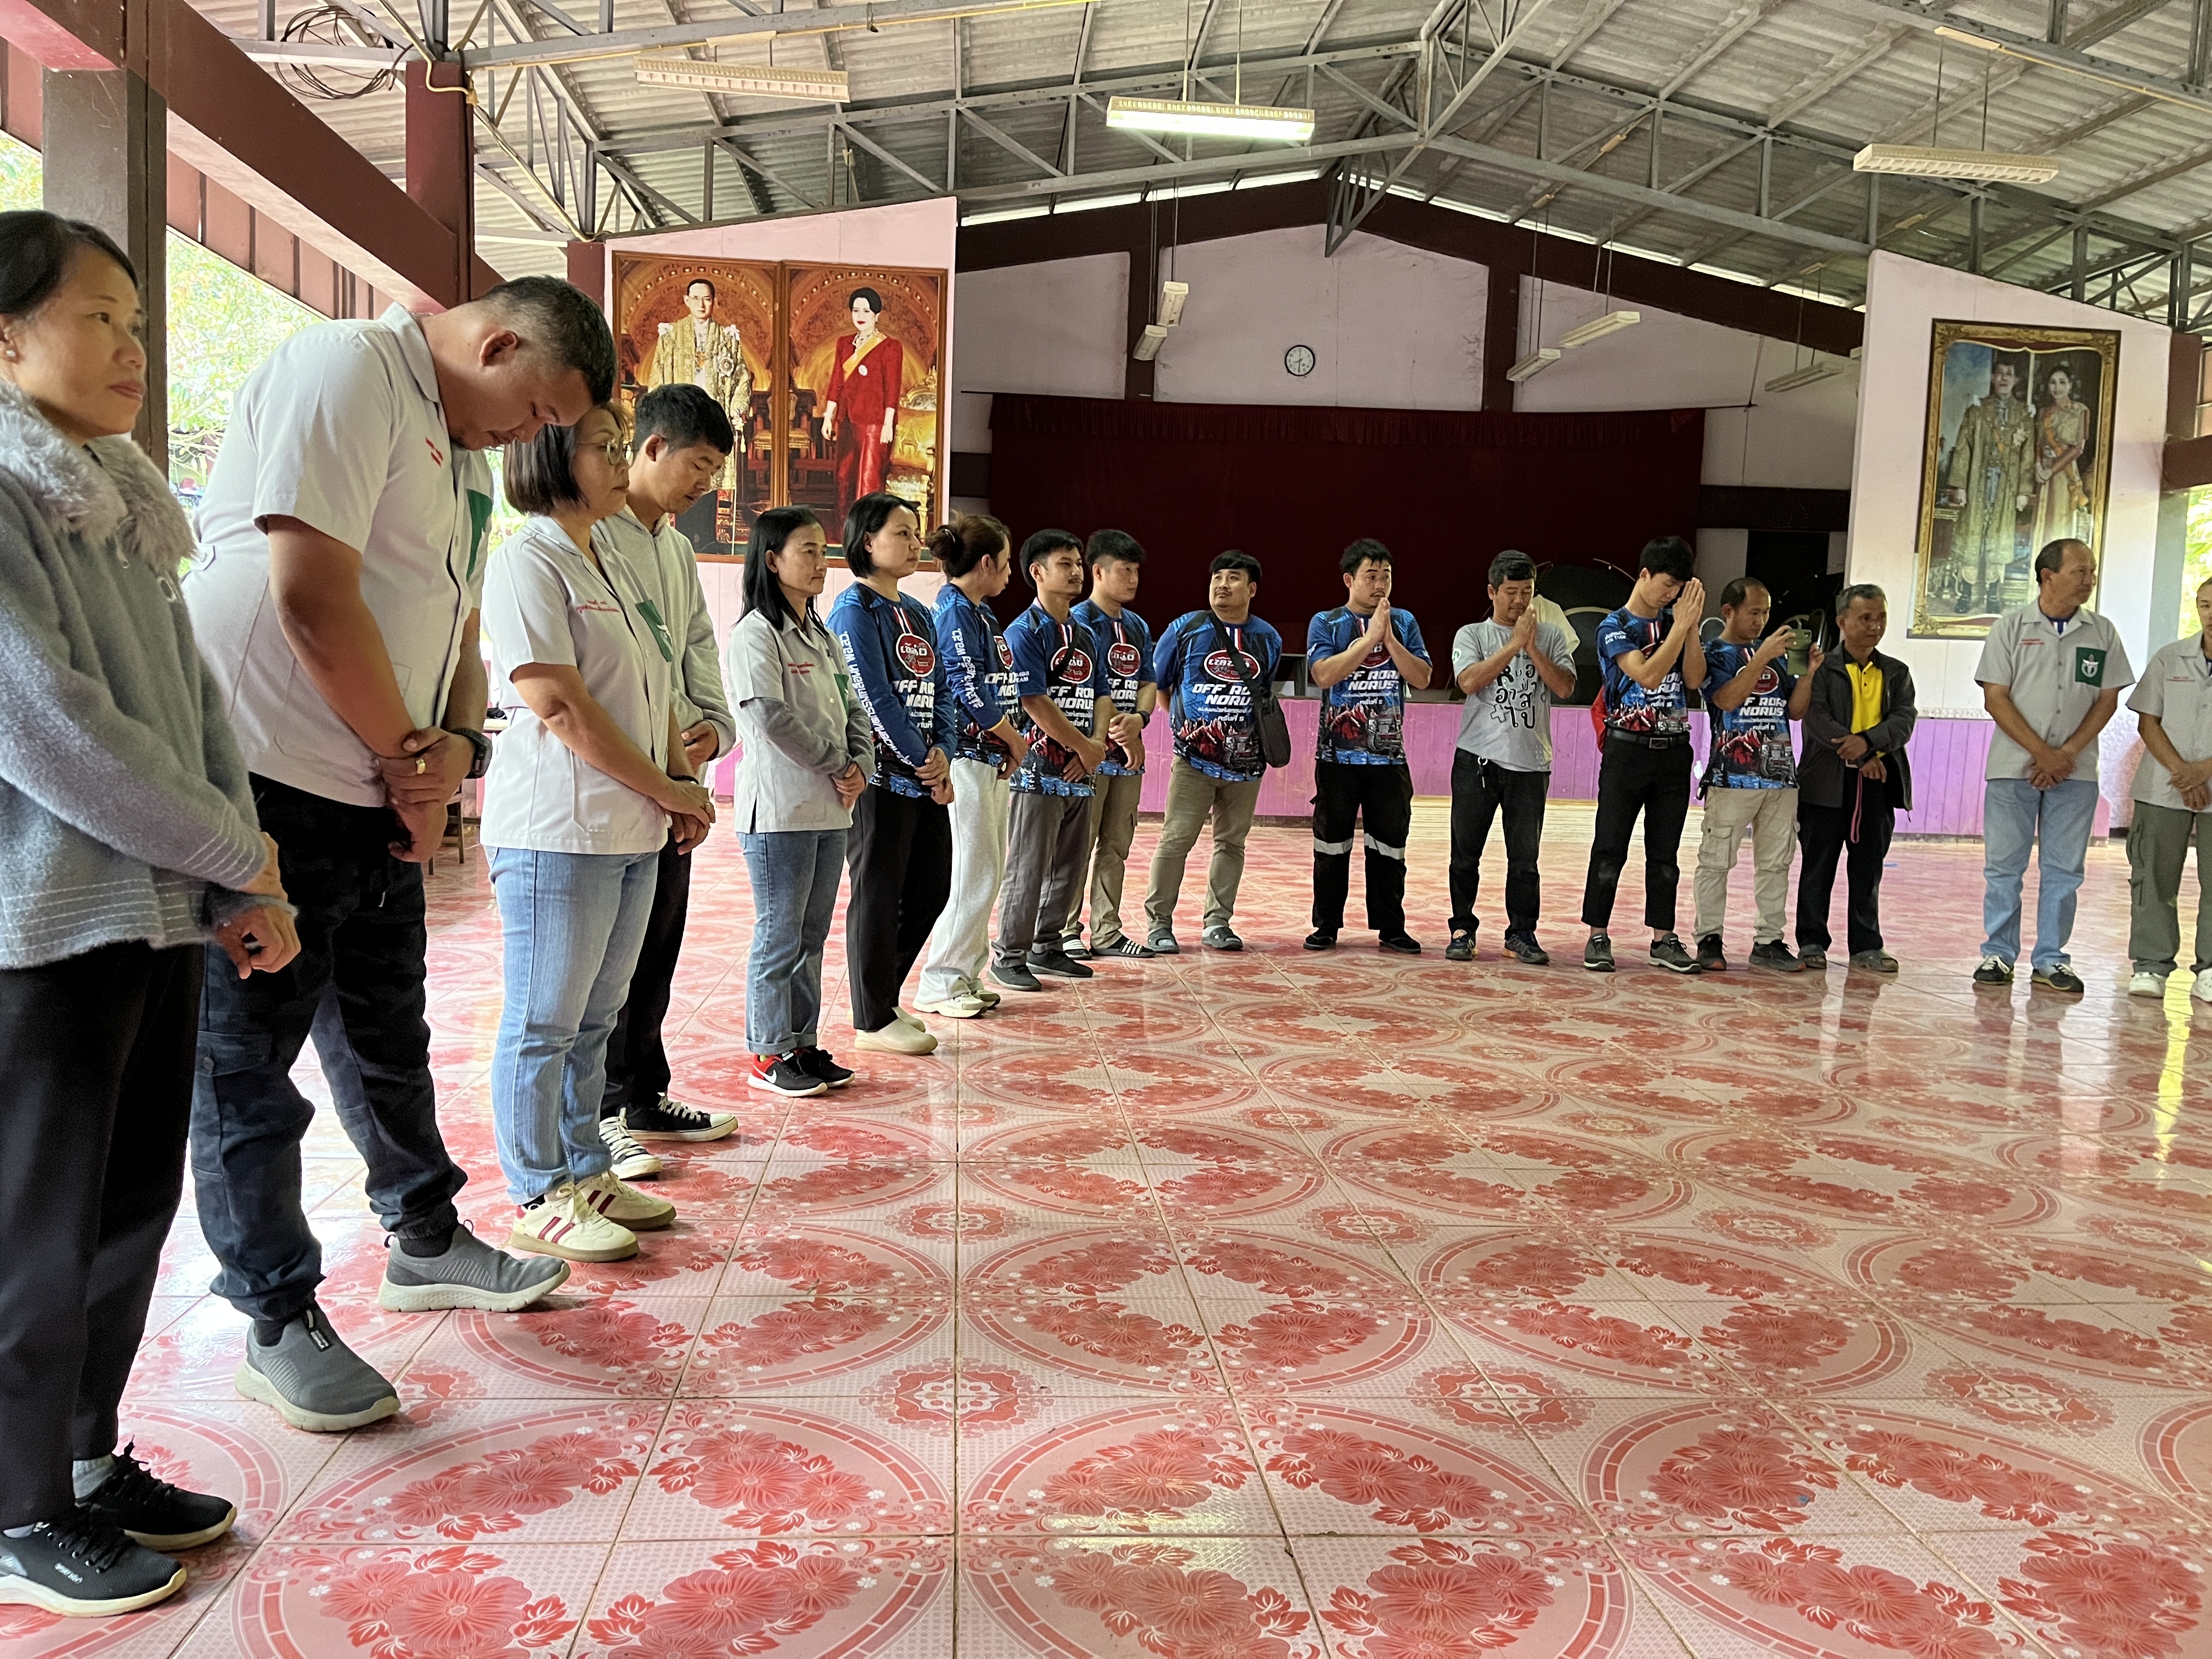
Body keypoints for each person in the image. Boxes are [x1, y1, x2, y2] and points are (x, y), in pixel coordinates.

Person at [184, 275, 611, 1433]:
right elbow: (312, 599)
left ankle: (424, 1236)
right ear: (499, 343)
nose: (529, 438)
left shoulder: (459, 451)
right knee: (245, 1062)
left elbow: (456, 627)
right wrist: (410, 759)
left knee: (385, 1032)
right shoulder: (349, 369)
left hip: (379, 786)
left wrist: (452, 751)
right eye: (536, 411)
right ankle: (275, 1314)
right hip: (268, 779)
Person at [0, 211, 300, 1617]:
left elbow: (190, 709)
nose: (132, 346)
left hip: (150, 910)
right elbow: (49, 726)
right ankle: (17, 1506)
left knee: (127, 1207)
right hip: (39, 928)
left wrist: (239, 868)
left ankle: (78, 1456)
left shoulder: (119, 496)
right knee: (33, 1226)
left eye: (136, 320)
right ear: (6, 338)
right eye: (98, 318)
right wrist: (232, 849)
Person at [483, 406, 710, 1262]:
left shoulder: (611, 557)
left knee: (595, 1020)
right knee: (544, 1020)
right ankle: (538, 1190)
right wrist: (665, 788)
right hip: (558, 829)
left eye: (622, 447)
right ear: (550, 454)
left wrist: (680, 790)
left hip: (630, 827)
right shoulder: (528, 559)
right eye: (606, 448)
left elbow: (654, 688)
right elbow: (560, 705)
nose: (622, 462)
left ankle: (586, 1167)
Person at [595, 384, 741, 1184]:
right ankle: (602, 1115)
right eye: (699, 466)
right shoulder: (591, 535)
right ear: (650, 447)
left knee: (657, 946)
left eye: (715, 472)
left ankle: (643, 1095)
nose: (705, 486)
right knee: (602, 970)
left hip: (678, 782)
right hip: (620, 783)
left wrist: (714, 733)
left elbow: (697, 656)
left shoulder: (676, 551)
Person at [723, 507, 873, 1096]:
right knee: (780, 934)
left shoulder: (822, 635)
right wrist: (840, 764)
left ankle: (801, 1044)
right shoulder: (756, 634)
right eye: (807, 550)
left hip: (831, 808)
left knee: (810, 936)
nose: (821, 561)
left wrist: (861, 763)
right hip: (780, 812)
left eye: (822, 549)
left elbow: (852, 706)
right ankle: (768, 1052)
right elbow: (770, 716)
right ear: (772, 560)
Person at [1973, 538, 2131, 994]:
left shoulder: (2102, 632)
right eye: (2080, 571)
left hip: (2075, 772)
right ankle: (1998, 954)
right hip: (2014, 768)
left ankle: (2051, 958)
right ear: (2048, 576)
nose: (2089, 580)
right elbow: (1995, 697)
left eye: (2092, 572)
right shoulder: (2010, 627)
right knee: (2004, 868)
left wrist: (2066, 755)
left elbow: (2107, 700)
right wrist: (2042, 754)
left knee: (2065, 870)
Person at [827, 492, 955, 1053]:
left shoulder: (919, 613)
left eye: (915, 532)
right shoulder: (854, 610)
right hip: (880, 779)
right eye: (902, 533)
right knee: (877, 896)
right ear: (867, 542)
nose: (914, 543)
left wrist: (944, 750)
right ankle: (872, 1020)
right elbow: (870, 696)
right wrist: (923, 760)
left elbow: (943, 688)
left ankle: (882, 993)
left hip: (925, 773)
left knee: (932, 888)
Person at [913, 515, 1028, 1019]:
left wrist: (1007, 743)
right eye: (1006, 563)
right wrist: (1012, 737)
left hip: (990, 757)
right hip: (965, 758)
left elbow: (998, 685)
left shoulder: (982, 614)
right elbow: (965, 686)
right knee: (971, 873)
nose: (1010, 573)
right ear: (986, 563)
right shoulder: (954, 612)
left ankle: (965, 972)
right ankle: (940, 981)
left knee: (989, 870)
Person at [1144, 551, 1283, 955]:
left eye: (1234, 578)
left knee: (1231, 843)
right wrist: (1186, 728)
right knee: (1175, 840)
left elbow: (1263, 694)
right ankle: (1159, 924)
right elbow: (1160, 684)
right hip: (1193, 761)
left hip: (1247, 765)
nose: (1223, 584)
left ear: (1252, 589)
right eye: (1217, 577)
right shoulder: (1186, 629)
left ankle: (1218, 923)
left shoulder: (1268, 638)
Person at [994, 529, 1111, 992]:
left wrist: (1095, 744)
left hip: (1082, 770)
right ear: (1037, 572)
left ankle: (1047, 946)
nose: (1077, 572)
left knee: (1071, 864)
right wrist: (1084, 746)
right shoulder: (1024, 631)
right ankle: (1009, 954)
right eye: (1066, 564)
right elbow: (1033, 701)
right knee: (1028, 865)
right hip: (1036, 773)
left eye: (1079, 563)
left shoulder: (1087, 633)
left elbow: (1102, 694)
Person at [1581, 537, 1705, 975]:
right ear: (1645, 575)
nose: (1672, 595)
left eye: (1679, 589)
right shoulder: (1614, 626)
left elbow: (1694, 679)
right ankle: (1598, 934)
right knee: (1610, 847)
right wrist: (1679, 627)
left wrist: (1690, 627)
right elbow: (1648, 675)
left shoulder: (1678, 621)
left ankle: (1662, 937)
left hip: (1673, 751)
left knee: (1665, 852)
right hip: (1627, 750)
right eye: (1667, 585)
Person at [1448, 551, 1577, 964]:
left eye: (1527, 592)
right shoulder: (1472, 634)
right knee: (1465, 854)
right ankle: (1462, 928)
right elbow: (1469, 681)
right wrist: (1514, 645)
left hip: (1531, 763)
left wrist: (1532, 647)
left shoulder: (1552, 636)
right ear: (1492, 592)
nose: (1520, 601)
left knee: (1525, 859)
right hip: (1478, 760)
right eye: (1511, 592)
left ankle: (1521, 933)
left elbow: (1565, 688)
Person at [1305, 539, 1431, 954]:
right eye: (1371, 576)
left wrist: (1389, 639)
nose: (1380, 585)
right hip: (1336, 757)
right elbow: (1324, 675)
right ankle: (1327, 926)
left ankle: (1391, 927)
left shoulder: (1405, 622)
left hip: (1389, 759)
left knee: (1390, 847)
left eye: (1386, 577)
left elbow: (1422, 678)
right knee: (1331, 845)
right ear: (1349, 580)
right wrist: (1369, 639)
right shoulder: (1326, 622)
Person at [1691, 578, 1816, 973]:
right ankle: (1709, 938)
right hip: (1732, 777)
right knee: (1716, 861)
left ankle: (1769, 940)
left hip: (1780, 776)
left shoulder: (1778, 655)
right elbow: (1727, 700)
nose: (1761, 620)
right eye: (1754, 612)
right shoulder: (1712, 653)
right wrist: (1760, 658)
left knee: (1777, 862)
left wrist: (1808, 674)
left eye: (1766, 613)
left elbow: (1795, 712)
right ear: (1729, 611)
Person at [1797, 584, 1916, 973]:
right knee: (1818, 866)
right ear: (1842, 622)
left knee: (1868, 868)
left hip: (1878, 783)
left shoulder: (1896, 672)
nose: (1875, 626)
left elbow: (1903, 720)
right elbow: (1816, 717)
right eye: (1865, 618)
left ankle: (1867, 945)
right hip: (1825, 784)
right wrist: (1862, 755)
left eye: (1881, 618)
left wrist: (1867, 745)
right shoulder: (1821, 667)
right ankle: (1811, 941)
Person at [1062, 529, 1158, 960]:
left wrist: (1140, 720)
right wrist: (1112, 733)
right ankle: (1064, 929)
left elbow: (1148, 682)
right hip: (1087, 754)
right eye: (1125, 570)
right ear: (1098, 572)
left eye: (1136, 571)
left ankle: (1107, 931)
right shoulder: (1076, 622)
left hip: (1127, 758)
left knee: (1116, 845)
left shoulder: (1137, 626)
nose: (1133, 579)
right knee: (1078, 845)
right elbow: (1082, 689)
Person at [2123, 576, 2212, 1003]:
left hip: (2205, 781)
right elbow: (2148, 722)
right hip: (2163, 786)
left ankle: (2209, 970)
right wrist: (2183, 773)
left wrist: (2203, 772)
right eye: (2205, 605)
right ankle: (2151, 965)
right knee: (2153, 877)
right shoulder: (2169, 657)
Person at [1943, 355, 2034, 612]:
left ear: (2016, 380)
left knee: (1999, 537)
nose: (2004, 378)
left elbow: (2028, 455)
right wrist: (1960, 485)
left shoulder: (2024, 415)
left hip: (2007, 486)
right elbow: (1963, 447)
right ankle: (1966, 594)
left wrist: (2024, 490)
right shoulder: (1977, 410)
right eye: (2000, 373)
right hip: (1977, 483)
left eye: (2009, 373)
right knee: (1973, 536)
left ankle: (1993, 595)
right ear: (1993, 378)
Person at [645, 278, 749, 492]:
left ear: (714, 301)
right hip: (681, 416)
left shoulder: (727, 338)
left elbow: (741, 378)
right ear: (687, 301)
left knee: (707, 470)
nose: (701, 305)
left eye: (707, 299)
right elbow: (658, 377)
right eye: (696, 299)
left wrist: (738, 409)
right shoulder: (671, 336)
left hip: (714, 414)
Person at [820, 287, 903, 532]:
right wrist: (828, 416)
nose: (861, 315)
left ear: (877, 314)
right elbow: (836, 382)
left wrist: (888, 424)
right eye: (856, 310)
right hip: (847, 419)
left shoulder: (890, 347)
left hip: (874, 423)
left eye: (867, 311)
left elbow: (893, 387)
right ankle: (844, 530)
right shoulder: (844, 344)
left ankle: (867, 531)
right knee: (844, 476)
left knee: (868, 479)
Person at [2028, 365, 2091, 555]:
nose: (2057, 387)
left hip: (2064, 473)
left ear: (2070, 385)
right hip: (2044, 472)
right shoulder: (2044, 413)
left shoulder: (2079, 411)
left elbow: (2078, 448)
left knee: (2059, 520)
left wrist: (2051, 470)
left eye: (2062, 382)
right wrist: (2038, 467)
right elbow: (2038, 443)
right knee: (2043, 520)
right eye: (2053, 383)